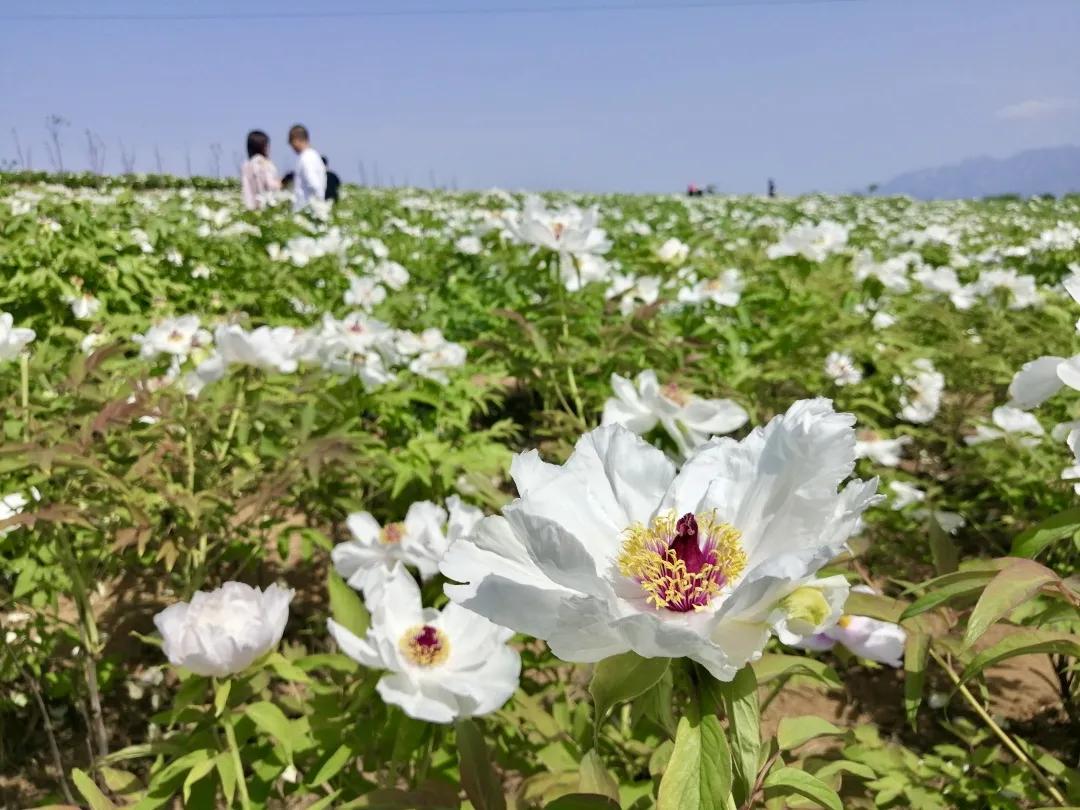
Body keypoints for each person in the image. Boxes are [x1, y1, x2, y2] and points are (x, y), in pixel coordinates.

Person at [288, 124, 326, 210]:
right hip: (311, 208)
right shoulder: (314, 155)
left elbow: (314, 184)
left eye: (291, 143)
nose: (292, 147)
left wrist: (317, 207)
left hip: (306, 209)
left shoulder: (306, 158)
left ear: (296, 140)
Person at [240, 130, 280, 210]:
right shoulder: (263, 163)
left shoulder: (247, 165)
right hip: (265, 206)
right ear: (262, 146)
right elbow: (270, 185)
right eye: (267, 145)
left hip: (250, 207)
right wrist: (283, 183)